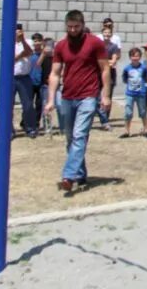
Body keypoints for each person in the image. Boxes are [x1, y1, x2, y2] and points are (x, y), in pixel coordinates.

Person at [45, 10, 111, 193]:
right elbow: (55, 73)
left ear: (82, 25)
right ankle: (80, 174)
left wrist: (105, 95)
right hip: (67, 96)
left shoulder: (94, 43)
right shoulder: (61, 46)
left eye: (76, 27)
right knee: (70, 138)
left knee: (80, 135)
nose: (73, 30)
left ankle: (68, 175)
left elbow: (105, 69)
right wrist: (50, 100)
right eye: (70, 27)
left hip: (88, 96)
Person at [120, 47, 147, 138]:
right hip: (130, 93)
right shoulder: (127, 68)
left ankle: (146, 130)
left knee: (143, 112)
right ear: (130, 57)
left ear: (140, 57)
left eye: (137, 56)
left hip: (141, 93)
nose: (135, 58)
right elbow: (125, 79)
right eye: (133, 56)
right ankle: (126, 131)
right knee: (128, 112)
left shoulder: (143, 68)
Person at [13, 23, 37, 139]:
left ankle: (30, 128)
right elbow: (10, 59)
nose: (18, 32)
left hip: (24, 78)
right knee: (9, 105)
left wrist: (22, 40)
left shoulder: (28, 42)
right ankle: (9, 130)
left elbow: (29, 52)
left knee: (27, 104)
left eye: (19, 30)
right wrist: (21, 55)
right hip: (11, 78)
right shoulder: (8, 42)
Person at [97, 19, 122, 130]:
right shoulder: (97, 42)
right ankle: (101, 116)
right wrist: (107, 62)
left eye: (109, 33)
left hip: (110, 72)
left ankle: (105, 119)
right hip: (97, 72)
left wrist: (105, 62)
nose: (107, 35)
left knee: (108, 95)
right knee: (95, 94)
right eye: (105, 32)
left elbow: (115, 60)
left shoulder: (115, 44)